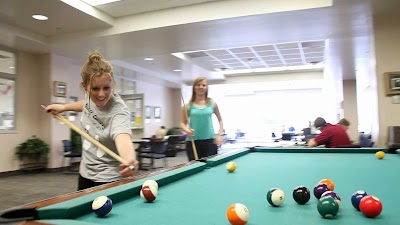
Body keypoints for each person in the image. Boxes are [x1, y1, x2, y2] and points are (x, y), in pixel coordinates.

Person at [45, 52, 139, 190]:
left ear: (112, 84)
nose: (101, 94)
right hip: (85, 174)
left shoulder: (119, 111)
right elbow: (85, 104)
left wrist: (129, 160)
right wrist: (63, 107)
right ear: (85, 87)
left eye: (106, 88)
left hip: (109, 178)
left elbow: (123, 138)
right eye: (95, 89)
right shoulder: (90, 99)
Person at [180, 77, 224, 161]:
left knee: (211, 168)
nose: (201, 87)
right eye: (198, 85)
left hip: (210, 141)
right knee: (194, 168)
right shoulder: (188, 105)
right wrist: (187, 130)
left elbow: (220, 120)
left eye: (204, 85)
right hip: (193, 141)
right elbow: (182, 123)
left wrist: (219, 135)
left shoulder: (212, 103)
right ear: (194, 87)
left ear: (206, 88)